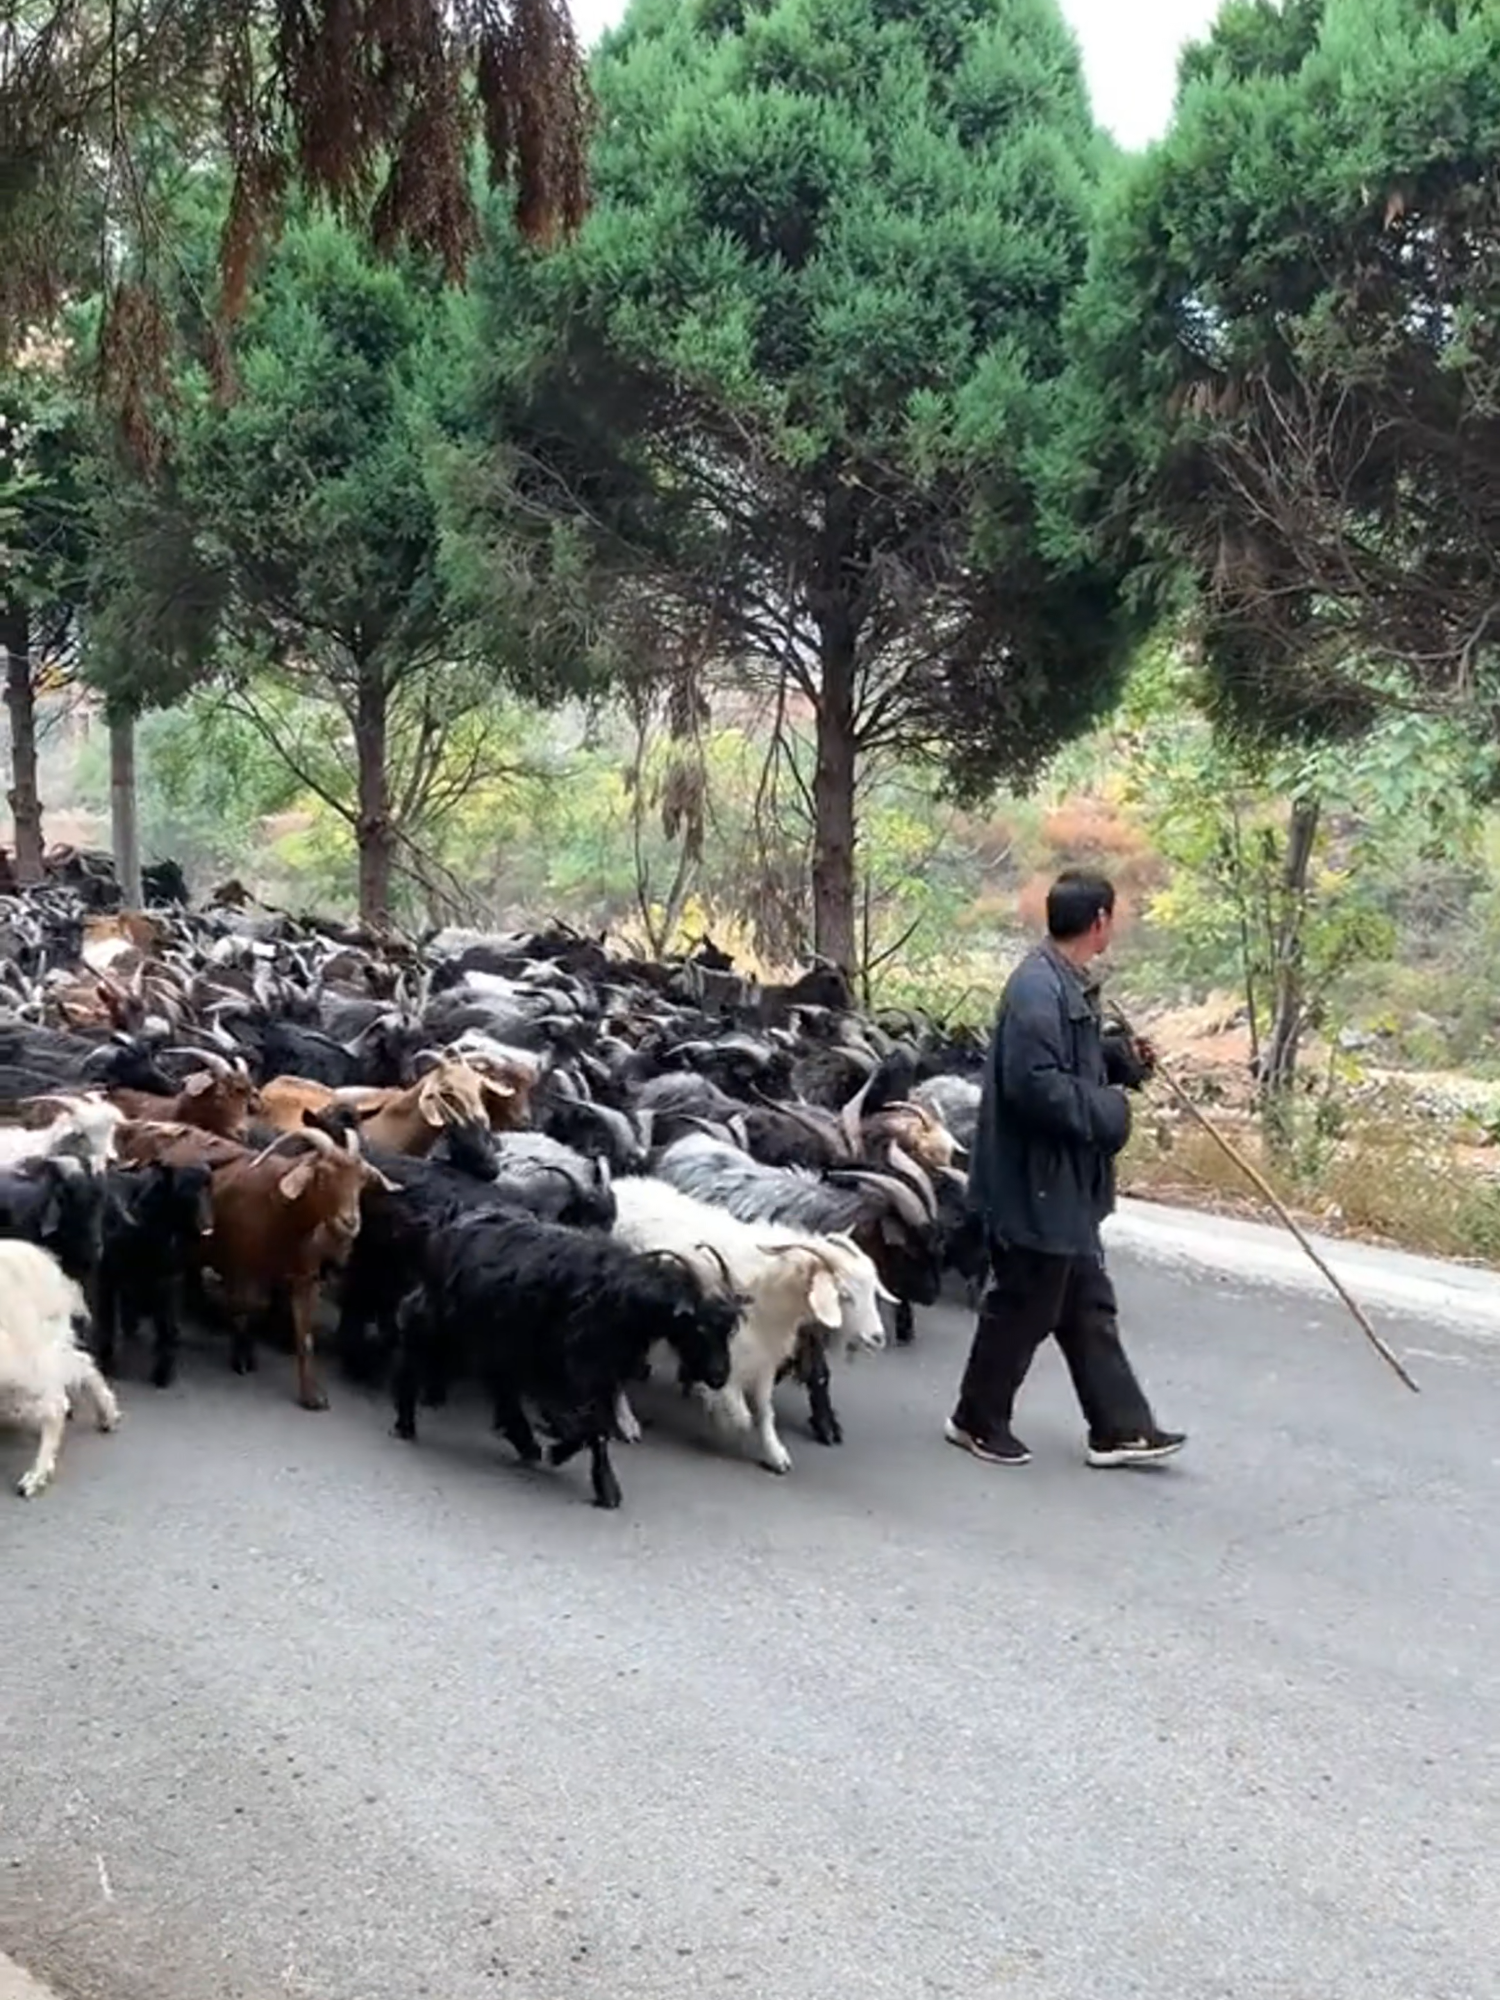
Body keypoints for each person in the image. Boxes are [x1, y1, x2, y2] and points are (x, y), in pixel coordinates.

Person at [945, 868, 1186, 1469]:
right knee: (1025, 1304)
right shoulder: (1036, 989)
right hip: (1034, 1182)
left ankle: (1120, 1428)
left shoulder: (1065, 983)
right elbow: (1036, 1086)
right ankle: (975, 1419)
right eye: (1116, 917)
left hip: (1062, 1184)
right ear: (1099, 921)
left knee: (1085, 1305)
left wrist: (1120, 1060)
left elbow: (1070, 1061)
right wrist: (1112, 1112)